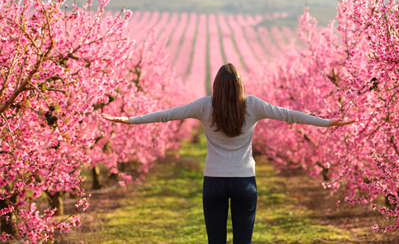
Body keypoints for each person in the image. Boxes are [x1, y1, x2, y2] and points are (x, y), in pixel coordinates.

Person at [102, 63, 353, 244]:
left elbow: (167, 114)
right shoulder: (252, 105)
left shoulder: (204, 106)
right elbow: (289, 115)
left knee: (216, 240)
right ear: (240, 85)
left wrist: (129, 119)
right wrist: (327, 122)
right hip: (245, 181)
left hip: (214, 182)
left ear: (217, 86)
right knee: (243, 240)